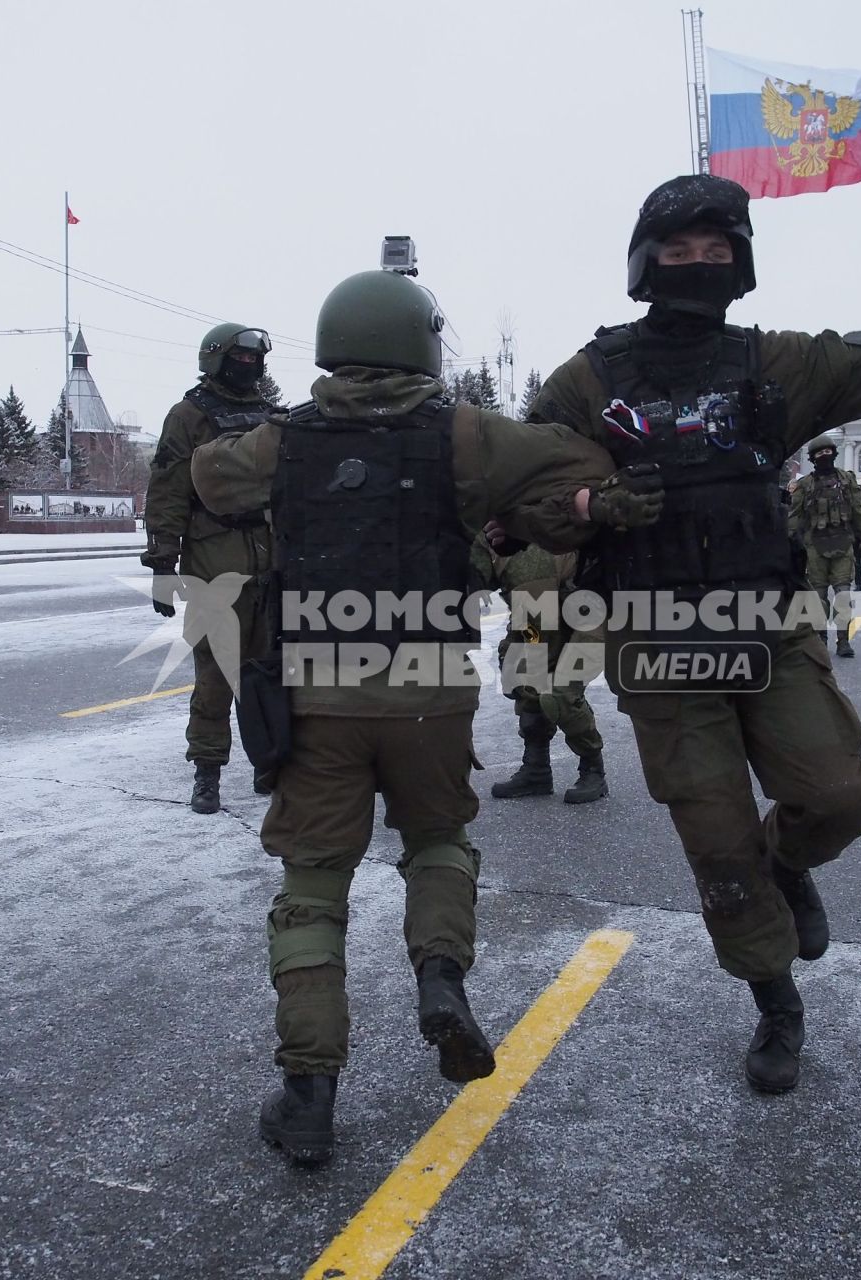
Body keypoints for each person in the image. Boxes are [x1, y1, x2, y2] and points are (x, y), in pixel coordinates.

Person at [526, 173, 861, 1094]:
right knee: (716, 841)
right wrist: (590, 503)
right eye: (681, 253)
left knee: (840, 797)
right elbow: (526, 487)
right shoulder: (586, 381)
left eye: (718, 253)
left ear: (742, 263)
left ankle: (790, 863)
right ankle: (775, 999)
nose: (700, 267)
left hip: (770, 624)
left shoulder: (774, 364)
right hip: (655, 637)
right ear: (645, 262)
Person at [191, 269, 635, 1166]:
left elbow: (210, 478)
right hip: (431, 688)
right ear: (421, 344)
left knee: (313, 885)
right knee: (436, 845)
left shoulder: (282, 441)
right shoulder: (468, 434)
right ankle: (441, 979)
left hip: (318, 691)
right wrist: (511, 509)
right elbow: (583, 465)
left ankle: (310, 1091)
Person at [142, 322, 281, 813]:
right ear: (217, 359)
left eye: (254, 358)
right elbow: (167, 490)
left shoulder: (269, 415)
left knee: (273, 671)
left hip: (271, 558)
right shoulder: (189, 416)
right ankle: (208, 770)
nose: (249, 365)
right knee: (216, 673)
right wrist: (162, 561)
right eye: (239, 358)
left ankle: (273, 763)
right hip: (212, 557)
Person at [478, 536, 607, 803]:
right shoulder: (494, 528)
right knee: (526, 680)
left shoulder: (566, 509)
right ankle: (536, 769)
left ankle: (593, 768)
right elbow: (470, 574)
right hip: (534, 617)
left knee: (561, 693)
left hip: (589, 613)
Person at [789, 433, 861, 658]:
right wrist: (789, 540)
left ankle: (843, 640)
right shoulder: (804, 484)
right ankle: (821, 638)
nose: (824, 456)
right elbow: (795, 515)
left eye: (827, 452)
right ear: (813, 458)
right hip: (815, 546)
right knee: (818, 596)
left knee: (843, 594)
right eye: (819, 453)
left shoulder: (847, 480)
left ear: (834, 454)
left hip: (843, 544)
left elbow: (858, 510)